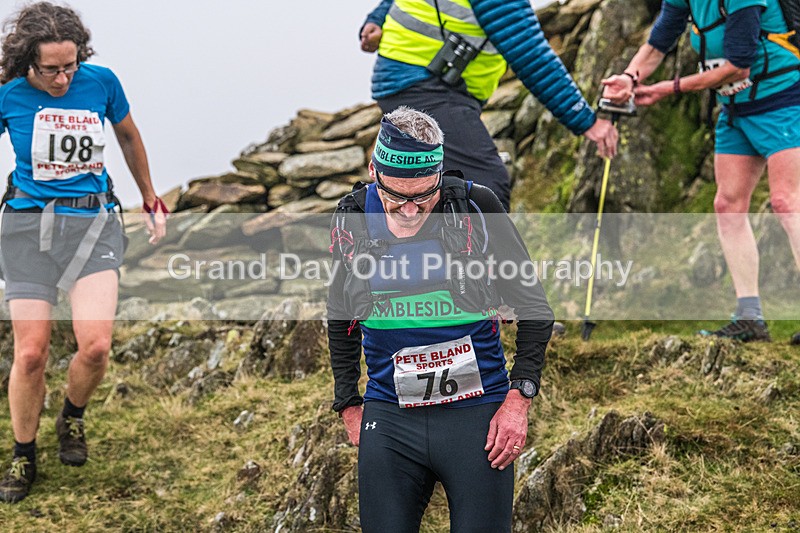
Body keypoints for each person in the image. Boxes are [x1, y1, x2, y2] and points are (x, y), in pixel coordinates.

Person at [326, 106, 554, 532]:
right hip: (391, 417)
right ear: (375, 171)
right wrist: (348, 404)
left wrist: (519, 399)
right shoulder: (352, 216)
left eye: (423, 196)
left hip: (478, 416)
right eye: (396, 196)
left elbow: (534, 306)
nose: (409, 211)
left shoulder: (476, 206)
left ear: (440, 174)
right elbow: (339, 316)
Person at [0, 2, 168, 503]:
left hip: (92, 221)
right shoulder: (9, 93)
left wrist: (150, 196)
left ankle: (71, 416)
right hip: (27, 228)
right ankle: (23, 452)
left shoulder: (101, 82)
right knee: (30, 353)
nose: (62, 77)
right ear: (28, 62)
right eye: (50, 69)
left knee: (95, 346)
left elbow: (128, 135)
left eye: (69, 65)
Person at [603, 0, 800, 342]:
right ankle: (750, 318)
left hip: (785, 101)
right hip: (736, 109)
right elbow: (658, 43)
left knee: (787, 202)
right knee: (728, 206)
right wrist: (628, 78)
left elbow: (739, 65)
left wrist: (669, 88)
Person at [359, 0, 619, 211]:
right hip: (423, 87)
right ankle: (489, 271)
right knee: (485, 183)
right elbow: (530, 54)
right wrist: (587, 122)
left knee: (444, 187)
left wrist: (377, 18)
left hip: (421, 84)